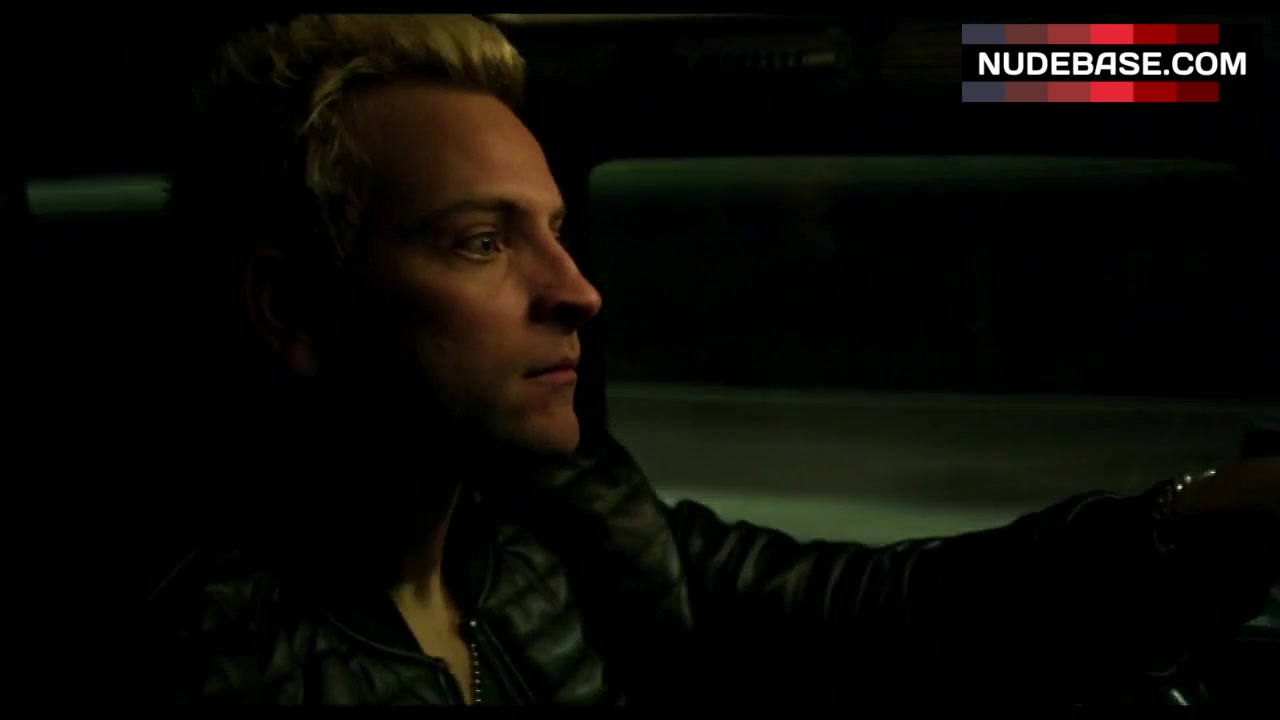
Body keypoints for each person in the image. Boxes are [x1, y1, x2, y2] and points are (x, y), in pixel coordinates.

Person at [131, 14, 1278, 705]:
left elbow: (883, 611)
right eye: (481, 241)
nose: (578, 291)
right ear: (292, 308)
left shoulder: (549, 525)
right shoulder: (195, 651)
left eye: (557, 231)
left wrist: (1196, 519)